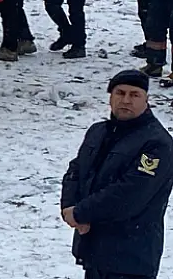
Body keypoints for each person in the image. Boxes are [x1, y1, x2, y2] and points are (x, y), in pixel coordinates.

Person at [61, 70, 173, 279]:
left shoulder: (157, 144)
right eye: (120, 93)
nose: (126, 100)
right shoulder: (98, 132)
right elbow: (76, 171)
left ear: (146, 100)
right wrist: (70, 208)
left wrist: (82, 212)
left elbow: (131, 194)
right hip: (93, 249)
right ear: (110, 97)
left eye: (134, 95)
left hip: (131, 257)